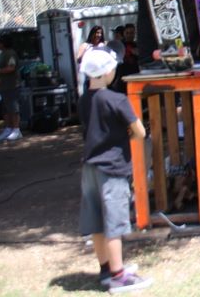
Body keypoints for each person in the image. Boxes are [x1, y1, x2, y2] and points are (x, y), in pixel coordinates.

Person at [78, 48, 152, 292]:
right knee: (114, 223)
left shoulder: (83, 100)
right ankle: (119, 276)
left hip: (89, 167)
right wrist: (124, 136)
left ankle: (106, 269)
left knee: (96, 221)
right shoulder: (116, 100)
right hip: (112, 168)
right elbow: (140, 131)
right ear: (107, 71)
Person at [0, 35, 22, 142]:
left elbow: (11, 68)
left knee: (13, 108)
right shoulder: (2, 53)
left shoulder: (10, 53)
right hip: (3, 86)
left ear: (3, 43)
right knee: (5, 109)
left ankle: (16, 130)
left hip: (12, 85)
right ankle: (8, 129)